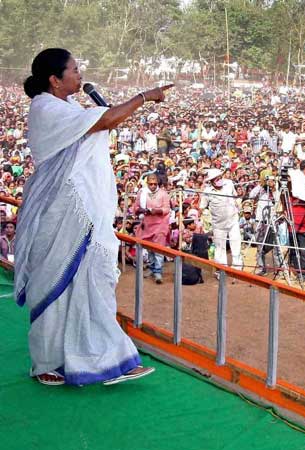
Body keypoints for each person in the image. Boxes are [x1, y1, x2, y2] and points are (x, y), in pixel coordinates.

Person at [15, 48, 171, 386]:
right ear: (55, 80)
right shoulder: (46, 109)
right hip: (63, 211)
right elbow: (106, 121)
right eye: (73, 69)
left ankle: (114, 359)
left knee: (96, 281)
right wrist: (144, 96)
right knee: (55, 286)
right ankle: (46, 362)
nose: (79, 73)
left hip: (87, 213)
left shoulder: (68, 106)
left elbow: (99, 125)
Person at [200, 168, 243, 274]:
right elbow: (202, 207)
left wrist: (237, 205)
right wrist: (207, 218)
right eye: (216, 178)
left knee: (236, 242)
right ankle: (221, 269)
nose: (219, 179)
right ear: (211, 181)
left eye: (220, 177)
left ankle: (237, 268)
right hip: (218, 224)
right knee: (220, 247)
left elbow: (235, 196)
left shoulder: (229, 184)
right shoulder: (207, 191)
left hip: (233, 220)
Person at [133, 173, 170, 284]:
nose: (153, 186)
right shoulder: (142, 193)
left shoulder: (163, 194)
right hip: (147, 224)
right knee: (149, 248)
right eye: (150, 184)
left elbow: (167, 209)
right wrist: (142, 210)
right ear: (147, 183)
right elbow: (135, 207)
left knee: (158, 249)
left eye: (155, 184)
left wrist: (156, 211)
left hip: (160, 224)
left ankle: (158, 272)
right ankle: (152, 267)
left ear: (158, 183)